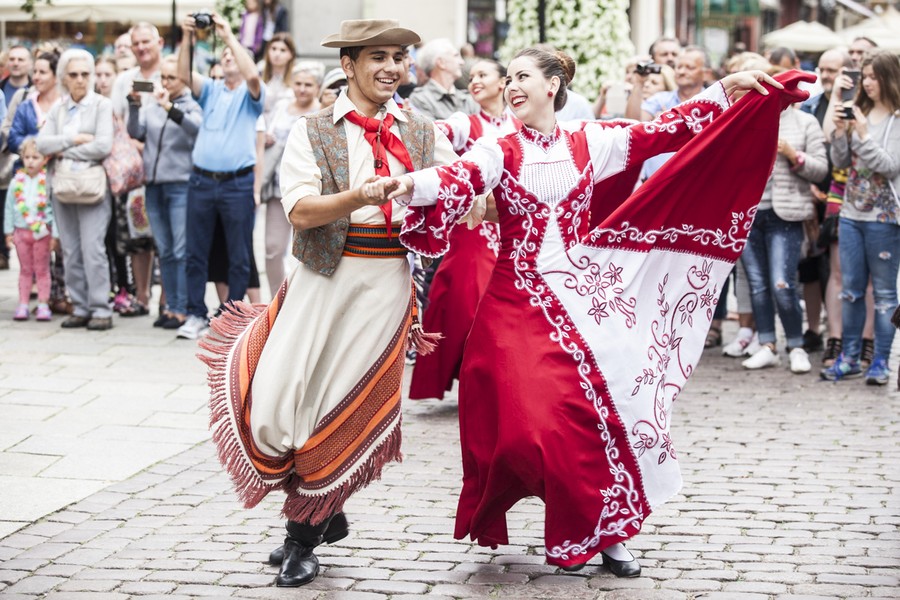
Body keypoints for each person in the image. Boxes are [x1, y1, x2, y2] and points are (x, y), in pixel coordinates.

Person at [380, 48, 790, 575]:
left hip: (582, 299)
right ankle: (581, 514)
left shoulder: (591, 141)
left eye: (523, 76)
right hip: (513, 305)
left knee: (592, 415)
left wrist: (724, 90)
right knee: (531, 427)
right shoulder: (497, 148)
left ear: (553, 85)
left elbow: (664, 132)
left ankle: (608, 530)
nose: (511, 86)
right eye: (508, 78)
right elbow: (459, 179)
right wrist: (409, 185)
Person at [199, 19, 458, 588]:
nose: (391, 67)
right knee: (282, 400)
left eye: (398, 57)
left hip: (385, 284)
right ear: (348, 65)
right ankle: (324, 508)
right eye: (378, 57)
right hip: (321, 278)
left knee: (339, 401)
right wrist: (357, 196)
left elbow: (455, 192)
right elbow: (301, 212)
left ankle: (301, 538)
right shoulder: (312, 129)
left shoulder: (422, 130)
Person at [409, 58, 520, 400]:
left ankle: (499, 378)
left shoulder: (520, 124)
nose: (474, 81)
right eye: (471, 76)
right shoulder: (464, 122)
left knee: (507, 308)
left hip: (511, 228)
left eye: (483, 75)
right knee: (467, 303)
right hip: (471, 231)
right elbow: (432, 133)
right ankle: (479, 378)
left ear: (503, 83)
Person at [176, 12, 264, 340]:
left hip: (236, 183)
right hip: (201, 181)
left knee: (239, 254)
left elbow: (253, 75)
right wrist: (186, 37)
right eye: (224, 54)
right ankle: (195, 313)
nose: (228, 57)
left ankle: (232, 317)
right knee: (195, 251)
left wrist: (229, 37)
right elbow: (183, 74)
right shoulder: (211, 89)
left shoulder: (252, 93)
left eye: (234, 55)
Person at [739, 68, 828, 374]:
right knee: (758, 285)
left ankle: (796, 344)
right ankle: (767, 344)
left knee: (782, 282)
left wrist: (794, 155)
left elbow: (820, 170)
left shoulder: (806, 122)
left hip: (787, 214)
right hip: (750, 213)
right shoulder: (748, 118)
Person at [821, 50, 900, 386]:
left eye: (873, 77)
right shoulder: (858, 112)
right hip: (852, 212)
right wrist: (841, 133)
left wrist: (865, 135)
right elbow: (841, 160)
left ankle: (880, 360)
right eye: (864, 77)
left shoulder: (896, 118)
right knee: (851, 290)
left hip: (885, 217)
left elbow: (890, 165)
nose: (867, 84)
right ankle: (849, 357)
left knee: (883, 294)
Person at [36, 49, 115, 331]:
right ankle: (80, 306)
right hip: (63, 188)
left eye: (85, 74)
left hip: (92, 187)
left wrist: (65, 150)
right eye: (74, 75)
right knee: (70, 250)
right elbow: (43, 144)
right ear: (64, 78)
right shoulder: (58, 108)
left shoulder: (102, 105)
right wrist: (76, 139)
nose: (80, 80)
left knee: (93, 249)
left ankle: (100, 309)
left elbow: (103, 146)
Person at [127, 55, 202, 330]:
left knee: (181, 250)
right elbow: (136, 131)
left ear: (184, 80)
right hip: (154, 184)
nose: (166, 83)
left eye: (172, 78)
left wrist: (168, 106)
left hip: (181, 185)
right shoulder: (153, 105)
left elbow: (195, 129)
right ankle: (170, 307)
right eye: (163, 78)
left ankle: (182, 308)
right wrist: (134, 104)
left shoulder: (192, 105)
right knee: (165, 250)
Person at [260, 60, 323, 296]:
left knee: (307, 251)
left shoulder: (322, 112)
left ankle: (304, 299)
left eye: (308, 84)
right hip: (278, 188)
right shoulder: (282, 107)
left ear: (317, 87)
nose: (303, 89)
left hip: (312, 191)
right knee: (272, 248)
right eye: (298, 83)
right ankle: (277, 300)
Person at [4, 137, 57, 321]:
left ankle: (43, 304)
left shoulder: (47, 181)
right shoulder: (16, 182)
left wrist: (55, 235)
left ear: (44, 159)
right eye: (27, 157)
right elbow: (9, 207)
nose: (31, 161)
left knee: (42, 269)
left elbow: (54, 209)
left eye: (35, 157)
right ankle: (23, 303)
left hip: (42, 232)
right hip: (21, 232)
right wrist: (8, 231)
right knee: (25, 270)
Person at [0, 44, 32, 271]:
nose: (17, 63)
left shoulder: (32, 92)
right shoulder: (3, 89)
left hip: (21, 165)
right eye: (13, 59)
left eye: (21, 59)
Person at [408, 38, 479, 120]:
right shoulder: (420, 99)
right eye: (456, 56)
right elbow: (431, 131)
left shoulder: (467, 98)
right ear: (441, 63)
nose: (462, 62)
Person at [260, 32, 296, 119]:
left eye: (283, 50)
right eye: (273, 49)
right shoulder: (259, 71)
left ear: (291, 54)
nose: (277, 54)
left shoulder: (297, 76)